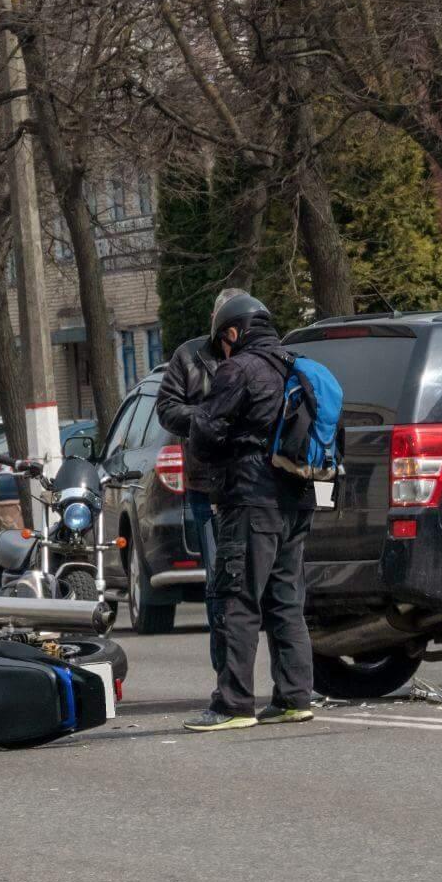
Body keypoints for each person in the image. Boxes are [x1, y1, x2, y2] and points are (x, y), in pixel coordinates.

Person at [183, 292, 315, 731]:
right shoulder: (296, 367)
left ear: (234, 331)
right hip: (297, 499)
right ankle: (295, 697)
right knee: (286, 601)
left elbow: (205, 429)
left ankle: (233, 704)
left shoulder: (238, 369)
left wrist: (212, 441)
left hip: (251, 500)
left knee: (237, 600)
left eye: (224, 339)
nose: (223, 348)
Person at [156, 288, 248, 672]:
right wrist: (209, 417)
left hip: (252, 482)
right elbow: (166, 408)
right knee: (219, 579)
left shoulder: (257, 354)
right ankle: (225, 674)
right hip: (206, 485)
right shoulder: (189, 356)